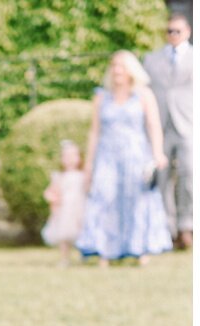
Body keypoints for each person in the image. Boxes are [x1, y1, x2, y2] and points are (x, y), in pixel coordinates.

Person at [74, 50, 172, 265]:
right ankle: (104, 250)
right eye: (114, 65)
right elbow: (94, 132)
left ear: (131, 70)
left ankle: (140, 249)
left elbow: (153, 125)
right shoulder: (101, 97)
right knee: (104, 197)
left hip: (135, 154)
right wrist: (89, 164)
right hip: (107, 155)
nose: (117, 70)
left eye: (121, 65)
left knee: (136, 200)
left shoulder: (144, 94)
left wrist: (157, 153)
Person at [144, 9, 194, 249]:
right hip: (160, 125)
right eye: (169, 31)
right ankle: (167, 229)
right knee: (162, 179)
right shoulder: (151, 60)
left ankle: (187, 226)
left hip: (187, 125)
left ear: (187, 32)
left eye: (178, 31)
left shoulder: (198, 57)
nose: (173, 35)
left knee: (189, 175)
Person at [42, 139, 88, 266]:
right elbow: (51, 191)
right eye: (66, 156)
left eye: (73, 156)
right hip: (65, 210)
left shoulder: (83, 175)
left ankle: (83, 256)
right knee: (64, 236)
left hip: (79, 208)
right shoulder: (59, 176)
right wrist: (52, 199)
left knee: (81, 233)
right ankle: (64, 258)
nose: (70, 160)